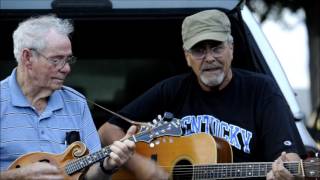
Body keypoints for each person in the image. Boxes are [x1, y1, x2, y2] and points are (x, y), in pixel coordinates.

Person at [98, 9, 306, 180]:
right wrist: (142, 166)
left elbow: (290, 158)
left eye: (216, 48)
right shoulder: (172, 90)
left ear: (231, 48)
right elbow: (107, 130)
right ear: (187, 57)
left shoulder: (262, 90)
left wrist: (287, 172)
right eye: (199, 50)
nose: (209, 58)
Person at [0, 14, 135, 180]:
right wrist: (17, 175)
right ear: (28, 58)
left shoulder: (76, 102)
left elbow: (89, 174)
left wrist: (107, 166)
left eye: (68, 59)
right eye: (56, 60)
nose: (66, 69)